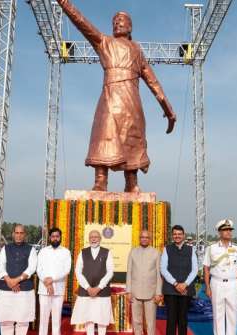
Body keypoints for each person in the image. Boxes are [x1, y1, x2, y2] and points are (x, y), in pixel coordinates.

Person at [55, 0, 176, 192]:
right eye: (114, 21)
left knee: (133, 139)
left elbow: (153, 82)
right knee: (104, 135)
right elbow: (81, 22)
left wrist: (168, 110)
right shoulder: (104, 42)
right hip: (110, 98)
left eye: (121, 20)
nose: (117, 22)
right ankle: (100, 180)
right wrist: (64, 3)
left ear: (130, 27)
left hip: (132, 100)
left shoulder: (137, 51)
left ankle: (132, 183)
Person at [203, 219, 237, 335]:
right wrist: (207, 286)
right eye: (226, 230)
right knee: (218, 316)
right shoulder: (212, 248)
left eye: (230, 230)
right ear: (220, 232)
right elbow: (206, 268)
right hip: (217, 283)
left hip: (233, 283)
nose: (229, 232)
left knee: (233, 317)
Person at [0, 224, 38, 335]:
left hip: (24, 289)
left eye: (21, 233)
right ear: (13, 234)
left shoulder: (31, 250)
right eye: (17, 233)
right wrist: (9, 280)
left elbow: (31, 268)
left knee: (22, 319)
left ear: (25, 234)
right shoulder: (5, 248)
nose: (19, 235)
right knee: (5, 319)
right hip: (6, 288)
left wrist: (17, 280)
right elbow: (0, 265)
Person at [71, 230, 114, 335]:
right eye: (91, 237)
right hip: (86, 291)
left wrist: (99, 287)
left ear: (100, 239)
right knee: (88, 318)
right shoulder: (83, 252)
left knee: (102, 318)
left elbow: (110, 272)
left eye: (96, 237)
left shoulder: (107, 252)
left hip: (102, 291)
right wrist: (88, 287)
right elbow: (78, 271)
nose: (93, 239)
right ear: (88, 239)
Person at [161, 225, 197, 335]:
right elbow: (163, 269)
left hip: (186, 289)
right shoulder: (167, 249)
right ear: (172, 235)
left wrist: (185, 284)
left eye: (179, 234)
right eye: (175, 234)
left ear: (183, 235)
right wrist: (176, 283)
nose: (177, 236)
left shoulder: (191, 250)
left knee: (183, 321)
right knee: (171, 321)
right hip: (171, 289)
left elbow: (195, 269)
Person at [126, 230, 162, 335]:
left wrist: (158, 292)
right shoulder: (133, 252)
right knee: (136, 321)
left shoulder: (156, 253)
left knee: (151, 322)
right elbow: (129, 272)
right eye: (142, 237)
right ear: (139, 238)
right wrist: (128, 291)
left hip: (151, 293)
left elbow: (159, 274)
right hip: (135, 292)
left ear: (150, 239)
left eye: (147, 237)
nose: (144, 239)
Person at [36, 227, 71, 335]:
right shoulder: (43, 251)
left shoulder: (66, 252)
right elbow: (39, 268)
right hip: (44, 289)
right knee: (44, 318)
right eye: (53, 236)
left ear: (60, 237)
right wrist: (46, 281)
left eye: (57, 236)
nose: (55, 238)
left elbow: (66, 270)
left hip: (58, 289)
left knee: (57, 319)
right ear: (49, 238)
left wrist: (52, 279)